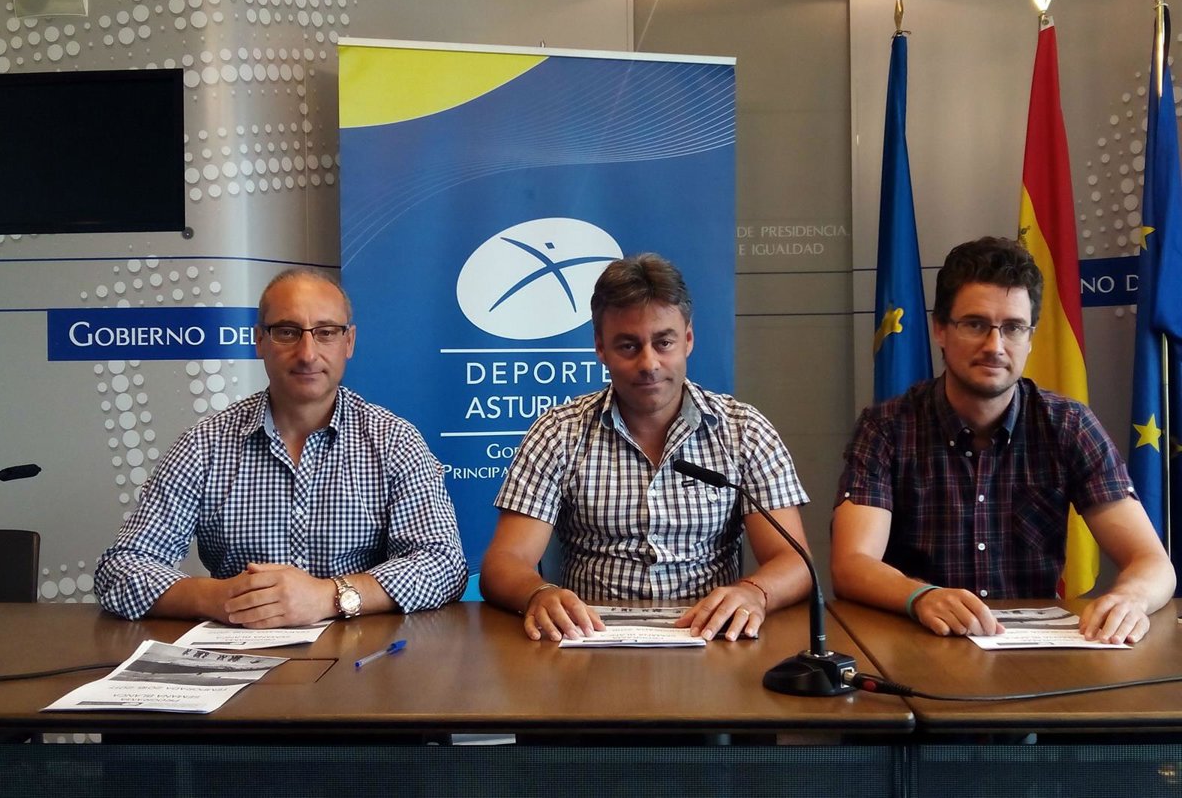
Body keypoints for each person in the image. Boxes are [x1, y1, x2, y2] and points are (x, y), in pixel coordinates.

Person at [831, 236, 1174, 644]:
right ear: (940, 329)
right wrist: (920, 596)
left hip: (1034, 651)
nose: (994, 346)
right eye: (975, 324)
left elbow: (1152, 563)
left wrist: (1130, 598)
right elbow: (851, 564)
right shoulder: (887, 427)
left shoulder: (1068, 424)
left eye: (1012, 328)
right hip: (920, 643)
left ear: (1030, 338)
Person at [95, 268, 467, 626]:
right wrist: (219, 597)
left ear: (349, 342)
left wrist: (328, 596)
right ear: (259, 340)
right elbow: (120, 569)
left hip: (363, 654)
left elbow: (444, 565)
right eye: (288, 332)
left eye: (326, 333)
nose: (307, 354)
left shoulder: (394, 441)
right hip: (239, 647)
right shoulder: (204, 444)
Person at [480, 253, 812, 642]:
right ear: (600, 348)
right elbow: (504, 563)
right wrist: (538, 594)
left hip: (711, 636)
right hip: (590, 639)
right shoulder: (559, 432)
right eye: (628, 346)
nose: (649, 363)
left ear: (688, 340)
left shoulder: (744, 430)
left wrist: (754, 592)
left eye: (664, 342)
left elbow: (794, 561)